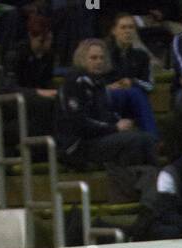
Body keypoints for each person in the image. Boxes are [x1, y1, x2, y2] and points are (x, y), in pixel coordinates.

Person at [54, 38, 157, 174]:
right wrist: (114, 127)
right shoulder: (75, 82)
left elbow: (104, 113)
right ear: (82, 59)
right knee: (136, 140)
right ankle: (132, 185)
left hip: (97, 137)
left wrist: (119, 123)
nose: (99, 62)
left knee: (145, 139)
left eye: (101, 58)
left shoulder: (98, 83)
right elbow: (79, 123)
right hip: (77, 145)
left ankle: (149, 183)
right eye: (93, 58)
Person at [1, 14, 58, 139]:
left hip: (37, 106)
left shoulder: (48, 57)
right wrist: (37, 92)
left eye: (49, 40)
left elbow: (48, 82)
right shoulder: (15, 54)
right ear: (31, 36)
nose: (46, 44)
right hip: (16, 107)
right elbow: (8, 88)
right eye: (42, 41)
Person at [102, 14, 159, 137]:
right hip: (107, 98)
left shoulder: (142, 56)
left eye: (131, 27)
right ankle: (153, 138)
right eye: (123, 27)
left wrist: (132, 82)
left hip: (132, 102)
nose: (127, 31)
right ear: (114, 31)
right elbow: (92, 82)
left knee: (134, 92)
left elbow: (150, 86)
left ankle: (149, 139)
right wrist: (108, 87)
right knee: (134, 93)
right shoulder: (102, 55)